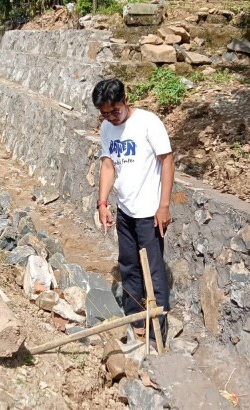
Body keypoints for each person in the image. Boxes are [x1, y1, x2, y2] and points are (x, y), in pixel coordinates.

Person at [92, 78, 175, 344]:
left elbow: (167, 162)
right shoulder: (107, 127)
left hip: (149, 213)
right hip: (125, 210)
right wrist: (103, 203)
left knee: (153, 271)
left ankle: (156, 330)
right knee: (128, 265)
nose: (111, 117)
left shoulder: (148, 123)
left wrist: (163, 206)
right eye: (105, 113)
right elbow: (108, 165)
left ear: (126, 101)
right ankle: (135, 319)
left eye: (115, 111)